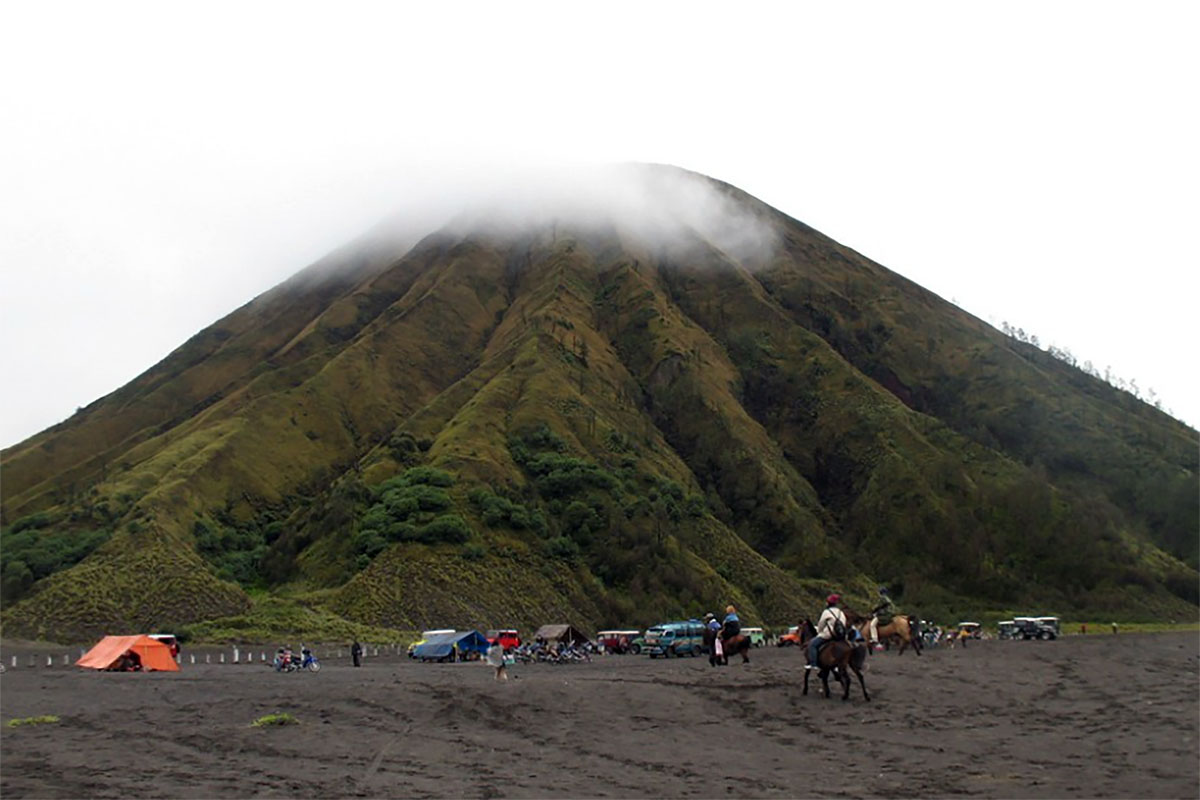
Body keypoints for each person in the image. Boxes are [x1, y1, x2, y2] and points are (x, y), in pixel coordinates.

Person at [807, 594, 847, 670]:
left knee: (812, 645)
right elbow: (844, 623)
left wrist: (819, 632)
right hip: (839, 636)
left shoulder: (826, 612)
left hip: (828, 635)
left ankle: (813, 664)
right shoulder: (840, 612)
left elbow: (821, 624)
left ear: (828, 603)